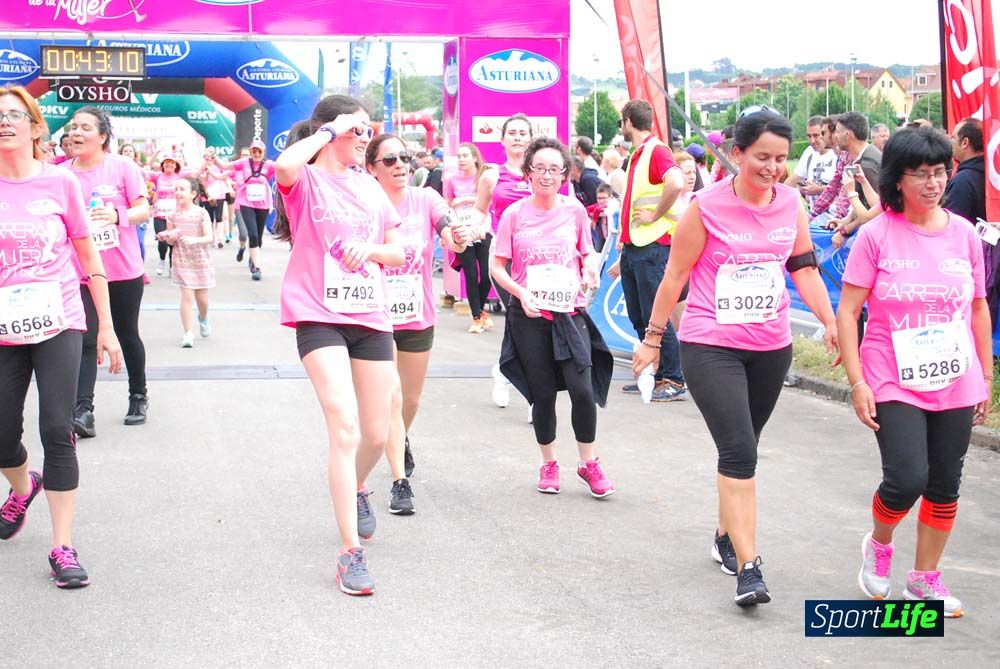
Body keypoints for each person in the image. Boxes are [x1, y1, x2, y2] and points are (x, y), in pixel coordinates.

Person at [633, 107, 837, 606]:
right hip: (711, 343)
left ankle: (726, 534)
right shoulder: (705, 207)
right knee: (740, 451)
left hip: (771, 346)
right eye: (762, 157)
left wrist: (831, 321)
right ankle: (750, 566)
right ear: (738, 153)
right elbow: (675, 278)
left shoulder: (790, 204)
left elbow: (804, 267)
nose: (773, 168)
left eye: (781, 159)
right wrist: (653, 338)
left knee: (743, 446)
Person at [836, 127, 991, 618]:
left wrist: (983, 375)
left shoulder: (964, 234)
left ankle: (925, 580)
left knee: (945, 483)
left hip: (954, 375)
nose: (932, 183)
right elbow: (848, 311)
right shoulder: (877, 234)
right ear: (896, 181)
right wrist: (857, 381)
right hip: (891, 373)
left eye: (940, 172)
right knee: (907, 478)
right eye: (919, 174)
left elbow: (979, 309)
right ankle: (879, 543)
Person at [273, 95, 404, 596]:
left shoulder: (371, 189)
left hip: (369, 314)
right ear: (332, 131)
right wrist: (332, 130)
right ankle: (351, 552)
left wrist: (369, 250)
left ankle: (356, 485)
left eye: (369, 129)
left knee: (375, 432)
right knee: (344, 425)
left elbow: (396, 250)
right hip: (317, 313)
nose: (366, 138)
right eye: (359, 130)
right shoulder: (305, 180)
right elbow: (285, 163)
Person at [0, 85, 123, 589]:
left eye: (13, 115)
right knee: (3, 433)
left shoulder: (60, 183)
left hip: (60, 319)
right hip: (4, 326)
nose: (3, 122)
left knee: (58, 428)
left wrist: (106, 327)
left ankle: (62, 545)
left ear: (33, 126)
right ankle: (22, 484)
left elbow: (88, 254)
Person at [490, 136, 615, 498]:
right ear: (528, 172)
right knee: (542, 395)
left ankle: (589, 463)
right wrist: (520, 292)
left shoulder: (573, 210)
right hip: (529, 314)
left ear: (565, 174)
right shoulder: (514, 214)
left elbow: (587, 252)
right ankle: (549, 463)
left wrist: (590, 268)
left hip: (568, 312)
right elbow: (497, 265)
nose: (547, 175)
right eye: (539, 168)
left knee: (582, 389)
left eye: (554, 169)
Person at [366, 133, 468, 514]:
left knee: (410, 400)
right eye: (389, 159)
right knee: (391, 396)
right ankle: (399, 482)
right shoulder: (365, 204)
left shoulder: (425, 198)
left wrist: (455, 238)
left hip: (416, 313)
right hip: (375, 315)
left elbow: (447, 228)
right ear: (372, 167)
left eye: (404, 157)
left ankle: (400, 436)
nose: (400, 165)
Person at [66, 106, 151, 437]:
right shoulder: (63, 174)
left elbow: (144, 209)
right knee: (87, 338)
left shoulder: (122, 167)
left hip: (122, 269)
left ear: (102, 136)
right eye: (73, 127)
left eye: (85, 127)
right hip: (80, 272)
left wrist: (117, 216)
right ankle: (83, 410)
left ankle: (138, 396)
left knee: (127, 334)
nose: (76, 132)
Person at [618, 99, 687, 402]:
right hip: (636, 246)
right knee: (639, 316)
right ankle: (655, 373)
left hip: (652, 246)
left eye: (622, 122)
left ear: (628, 121)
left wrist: (655, 215)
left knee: (654, 317)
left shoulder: (655, 151)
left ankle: (673, 377)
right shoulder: (641, 154)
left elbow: (676, 182)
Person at [475, 113, 534, 407]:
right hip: (502, 257)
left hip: (537, 256)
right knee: (516, 314)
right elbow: (479, 213)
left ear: (531, 138)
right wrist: (468, 230)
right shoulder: (491, 175)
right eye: (513, 133)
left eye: (523, 133)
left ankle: (508, 371)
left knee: (532, 319)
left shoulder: (541, 173)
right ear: (502, 139)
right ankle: (513, 376)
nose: (518, 137)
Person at [157, 176, 216, 348]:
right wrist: (168, 236)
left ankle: (203, 318)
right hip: (181, 260)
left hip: (200, 260)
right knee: (186, 296)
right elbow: (170, 242)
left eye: (182, 189)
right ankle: (188, 333)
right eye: (176, 189)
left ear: (193, 194)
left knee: (202, 299)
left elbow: (209, 237)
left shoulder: (201, 213)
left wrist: (194, 240)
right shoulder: (172, 215)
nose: (178, 192)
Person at [446, 142, 493, 333]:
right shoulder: (452, 180)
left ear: (475, 157)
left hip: (482, 229)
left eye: (465, 156)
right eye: (459, 156)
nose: (461, 160)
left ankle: (481, 310)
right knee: (471, 275)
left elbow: (489, 201)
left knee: (487, 274)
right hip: (462, 231)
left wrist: (470, 200)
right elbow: (448, 203)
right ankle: (476, 317)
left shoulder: (484, 176)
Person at [215, 139, 275, 281]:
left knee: (258, 237)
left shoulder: (269, 165)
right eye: (254, 151)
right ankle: (256, 268)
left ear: (263, 152)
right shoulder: (243, 163)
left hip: (262, 204)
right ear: (250, 152)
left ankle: (253, 257)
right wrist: (213, 157)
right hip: (246, 203)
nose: (256, 154)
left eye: (259, 151)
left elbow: (285, 169)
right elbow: (224, 165)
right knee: (252, 234)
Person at [784, 116, 838, 209]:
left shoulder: (838, 154)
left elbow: (845, 188)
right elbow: (793, 180)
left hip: (836, 219)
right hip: (814, 218)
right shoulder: (809, 152)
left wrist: (819, 189)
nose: (812, 141)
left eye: (816, 135)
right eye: (809, 136)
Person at [943, 117, 986, 225]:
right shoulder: (991, 176)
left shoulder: (963, 181)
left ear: (965, 143)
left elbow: (952, 227)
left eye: (953, 138)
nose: (951, 143)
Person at [151, 153, 185, 277]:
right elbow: (142, 172)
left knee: (173, 241)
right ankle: (161, 260)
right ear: (162, 166)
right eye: (166, 164)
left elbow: (196, 173)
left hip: (175, 215)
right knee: (162, 241)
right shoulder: (158, 176)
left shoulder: (180, 177)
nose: (169, 166)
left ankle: (172, 265)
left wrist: (207, 161)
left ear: (175, 166)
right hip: (159, 214)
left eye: (172, 164)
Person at [198, 147, 228, 248]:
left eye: (212, 155)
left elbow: (225, 176)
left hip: (219, 194)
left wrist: (230, 189)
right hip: (207, 195)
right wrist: (206, 167)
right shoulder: (203, 167)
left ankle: (220, 239)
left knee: (219, 217)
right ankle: (211, 238)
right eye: (208, 155)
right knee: (209, 217)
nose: (210, 157)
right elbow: (200, 178)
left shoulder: (219, 166)